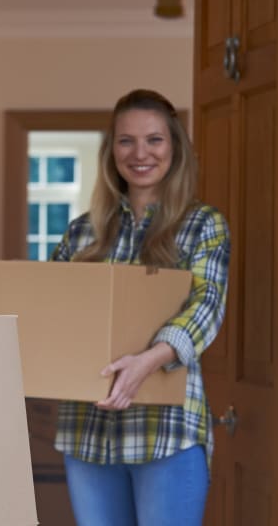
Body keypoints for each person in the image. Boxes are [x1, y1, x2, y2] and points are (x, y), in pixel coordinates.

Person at [49, 89, 230, 526]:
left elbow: (206, 303)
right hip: (88, 432)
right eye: (126, 141)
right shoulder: (81, 234)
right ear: (111, 151)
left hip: (168, 431)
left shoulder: (202, 224)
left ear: (175, 147)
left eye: (154, 140)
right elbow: (53, 310)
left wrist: (150, 360)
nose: (140, 153)